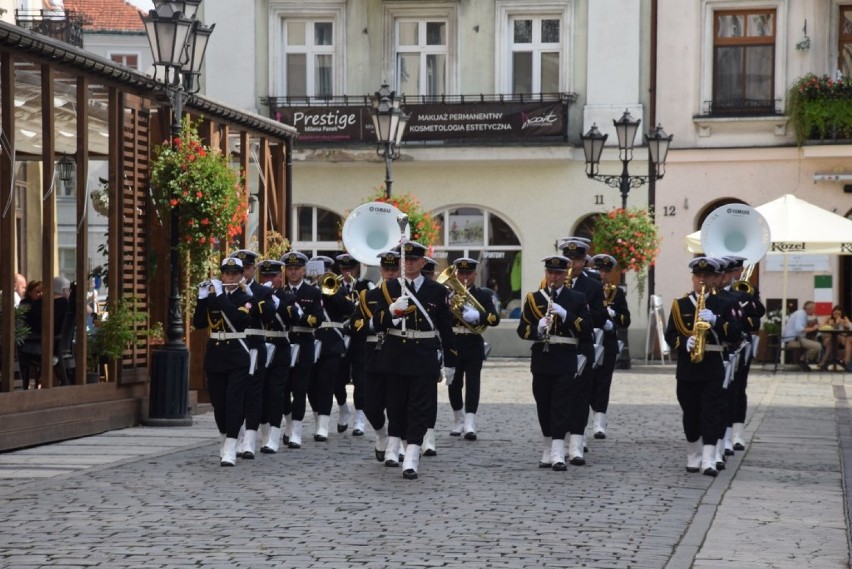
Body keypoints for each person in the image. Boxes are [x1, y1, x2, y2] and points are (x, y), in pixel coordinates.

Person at [371, 241, 457, 480]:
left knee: (420, 407)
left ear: (422, 262)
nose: (409, 263)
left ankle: (411, 455)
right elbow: (376, 323)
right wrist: (391, 312)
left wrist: (450, 361)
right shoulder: (389, 288)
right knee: (396, 406)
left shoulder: (437, 291)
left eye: (414, 260)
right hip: (395, 353)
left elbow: (446, 330)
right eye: (405, 260)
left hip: (423, 355)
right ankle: (395, 444)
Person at [665, 257, 742, 477]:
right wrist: (683, 342)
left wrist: (716, 321)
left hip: (712, 364)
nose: (702, 280)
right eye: (698, 276)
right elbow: (670, 334)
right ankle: (693, 454)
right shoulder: (680, 305)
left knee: (711, 411)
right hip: (688, 366)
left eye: (706, 276)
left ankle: (708, 459)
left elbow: (736, 333)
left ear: (713, 278)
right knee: (690, 411)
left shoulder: (723, 304)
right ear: (692, 278)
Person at [516, 255, 592, 471]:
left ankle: (559, 451)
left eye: (558, 273)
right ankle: (548, 447)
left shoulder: (577, 298)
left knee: (561, 404)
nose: (554, 277)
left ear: (565, 274)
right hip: (542, 357)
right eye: (550, 273)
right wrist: (538, 328)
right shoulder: (534, 298)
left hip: (566, 356)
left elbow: (586, 328)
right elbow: (522, 330)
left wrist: (566, 315)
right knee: (543, 403)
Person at [191, 257, 258, 466]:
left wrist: (219, 295)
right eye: (226, 274)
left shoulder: (246, 296)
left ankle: (230, 446)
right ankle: (225, 438)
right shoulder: (214, 296)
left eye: (235, 274)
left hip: (238, 354)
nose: (230, 277)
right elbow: (199, 323)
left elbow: (238, 319)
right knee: (218, 404)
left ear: (241, 275)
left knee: (234, 401)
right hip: (216, 355)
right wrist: (202, 298)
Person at [349, 250, 400, 462]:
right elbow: (354, 324)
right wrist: (370, 324)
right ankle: (381, 434)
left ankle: (396, 445)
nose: (389, 273)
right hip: (373, 354)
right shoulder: (368, 296)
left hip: (398, 353)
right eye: (386, 269)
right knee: (371, 405)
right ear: (380, 270)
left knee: (397, 402)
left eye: (394, 269)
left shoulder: (407, 296)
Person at [561, 238, 607, 465]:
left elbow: (601, 316)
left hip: (581, 346)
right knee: (561, 397)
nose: (572, 264)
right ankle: (562, 439)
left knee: (580, 397)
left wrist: (583, 311)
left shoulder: (594, 285)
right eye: (569, 259)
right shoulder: (552, 283)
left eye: (577, 259)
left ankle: (577, 445)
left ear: (583, 261)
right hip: (559, 348)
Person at [446, 257, 500, 442]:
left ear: (475, 275)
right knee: (453, 383)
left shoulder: (483, 295)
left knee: (473, 383)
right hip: (453, 342)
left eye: (469, 273)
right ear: (456, 274)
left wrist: (479, 315)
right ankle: (458, 419)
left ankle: (470, 422)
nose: (464, 277)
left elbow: (494, 318)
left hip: (473, 342)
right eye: (461, 273)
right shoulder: (448, 293)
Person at [229, 249, 275, 459]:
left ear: (254, 269)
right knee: (235, 395)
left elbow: (269, 315)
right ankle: (235, 437)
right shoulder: (228, 292)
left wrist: (251, 296)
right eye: (241, 268)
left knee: (254, 393)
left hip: (254, 346)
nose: (244, 272)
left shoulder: (261, 291)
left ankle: (249, 440)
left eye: (247, 268)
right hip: (234, 347)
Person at [255, 259, 299, 454]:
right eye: (265, 276)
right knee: (260, 392)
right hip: (261, 345)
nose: (270, 279)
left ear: (280, 277)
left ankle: (273, 435)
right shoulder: (256, 295)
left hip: (280, 345)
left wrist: (278, 304)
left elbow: (295, 317)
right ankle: (264, 432)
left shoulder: (287, 296)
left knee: (276, 392)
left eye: (273, 276)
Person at [280, 251, 324, 448]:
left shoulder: (312, 293)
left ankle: (296, 429)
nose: (293, 272)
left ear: (304, 270)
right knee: (282, 389)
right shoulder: (279, 293)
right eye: (289, 269)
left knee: (299, 389)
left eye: (296, 269)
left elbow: (317, 319)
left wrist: (301, 317)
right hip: (284, 343)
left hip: (304, 342)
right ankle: (289, 423)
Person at [308, 255, 354, 442]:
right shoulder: (307, 290)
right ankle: (319, 417)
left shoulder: (338, 288)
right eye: (319, 270)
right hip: (311, 340)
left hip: (332, 341)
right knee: (311, 385)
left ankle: (323, 426)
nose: (323, 274)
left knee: (328, 383)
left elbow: (349, 308)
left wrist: (331, 293)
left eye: (326, 270)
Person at [588, 254, 631, 440]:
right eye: (599, 270)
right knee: (589, 382)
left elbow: (625, 320)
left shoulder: (617, 293)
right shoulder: (588, 289)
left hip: (607, 342)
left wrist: (613, 315)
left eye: (605, 271)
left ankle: (599, 419)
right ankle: (593, 413)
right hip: (589, 339)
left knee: (604, 382)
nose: (602, 274)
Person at [334, 252, 374, 436]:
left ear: (357, 268)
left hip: (360, 338)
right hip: (340, 337)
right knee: (337, 379)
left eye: (350, 268)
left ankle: (359, 417)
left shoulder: (365, 286)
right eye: (344, 268)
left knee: (361, 379)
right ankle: (343, 409)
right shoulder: (333, 286)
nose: (347, 271)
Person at [781, 301, 821, 371]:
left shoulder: (802, 314)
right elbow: (799, 329)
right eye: (814, 309)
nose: (815, 310)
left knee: (815, 341)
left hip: (795, 339)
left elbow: (802, 326)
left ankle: (803, 361)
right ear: (809, 309)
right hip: (792, 340)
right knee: (818, 346)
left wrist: (811, 323)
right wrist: (814, 328)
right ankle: (802, 361)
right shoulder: (800, 314)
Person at [817, 306, 852, 371]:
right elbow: (821, 326)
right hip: (828, 338)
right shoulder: (828, 318)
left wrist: (844, 323)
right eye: (835, 313)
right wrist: (829, 324)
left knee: (843, 340)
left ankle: (825, 361)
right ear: (832, 313)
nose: (837, 315)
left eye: (839, 314)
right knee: (830, 341)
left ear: (842, 314)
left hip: (841, 338)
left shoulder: (844, 318)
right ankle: (828, 361)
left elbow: (849, 326)